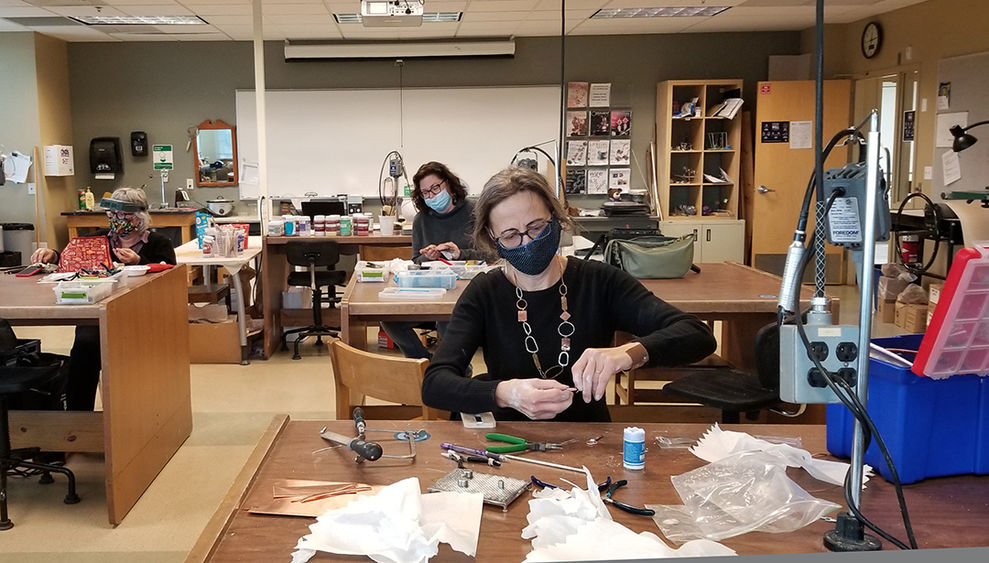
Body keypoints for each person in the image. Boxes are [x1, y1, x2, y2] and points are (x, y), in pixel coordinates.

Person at [420, 167, 717, 422]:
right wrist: (504, 394)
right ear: (492, 239)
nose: (527, 242)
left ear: (556, 220)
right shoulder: (485, 293)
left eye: (537, 227)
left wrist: (626, 354)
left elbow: (696, 335)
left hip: (589, 435)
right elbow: (436, 384)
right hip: (511, 442)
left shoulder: (598, 282)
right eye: (511, 236)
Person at [31, 187, 176, 411]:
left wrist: (139, 260)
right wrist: (53, 255)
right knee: (85, 348)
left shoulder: (159, 243)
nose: (118, 220)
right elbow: (71, 259)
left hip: (140, 313)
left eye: (124, 216)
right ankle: (79, 417)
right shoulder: (95, 240)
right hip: (97, 310)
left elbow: (168, 274)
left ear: (139, 217)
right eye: (113, 216)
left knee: (139, 355)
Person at [380, 162, 488, 359]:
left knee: (447, 320)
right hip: (430, 291)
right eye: (425, 193)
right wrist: (426, 257)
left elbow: (493, 255)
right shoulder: (422, 219)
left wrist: (459, 254)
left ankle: (456, 369)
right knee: (390, 319)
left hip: (464, 292)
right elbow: (415, 260)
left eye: (435, 188)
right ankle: (425, 364)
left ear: (449, 183)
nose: (431, 196)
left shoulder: (476, 213)